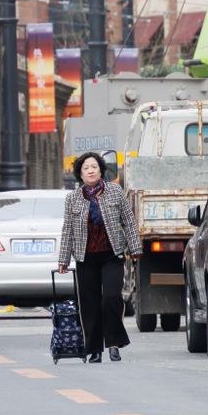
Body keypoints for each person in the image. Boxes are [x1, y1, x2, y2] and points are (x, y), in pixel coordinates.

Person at [57, 151, 142, 363]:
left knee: (111, 298)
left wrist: (135, 248)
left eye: (94, 166)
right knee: (89, 303)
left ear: (101, 170)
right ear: (80, 174)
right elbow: (68, 229)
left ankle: (113, 344)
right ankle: (94, 349)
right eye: (86, 168)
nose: (91, 171)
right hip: (86, 258)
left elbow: (129, 222)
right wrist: (63, 260)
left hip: (112, 255)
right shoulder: (72, 199)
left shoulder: (115, 192)